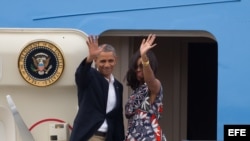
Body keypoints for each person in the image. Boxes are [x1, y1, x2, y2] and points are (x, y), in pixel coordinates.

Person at [70, 35, 125, 141]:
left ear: (116, 60)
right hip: (90, 135)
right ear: (96, 60)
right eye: (103, 61)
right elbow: (80, 75)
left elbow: (117, 117)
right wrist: (89, 58)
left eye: (110, 60)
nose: (107, 65)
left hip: (108, 136)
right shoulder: (90, 76)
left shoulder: (118, 86)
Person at [124, 34, 166, 141]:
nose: (138, 69)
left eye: (141, 66)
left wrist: (144, 58)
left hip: (149, 136)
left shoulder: (154, 85)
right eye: (136, 67)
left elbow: (150, 80)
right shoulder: (138, 90)